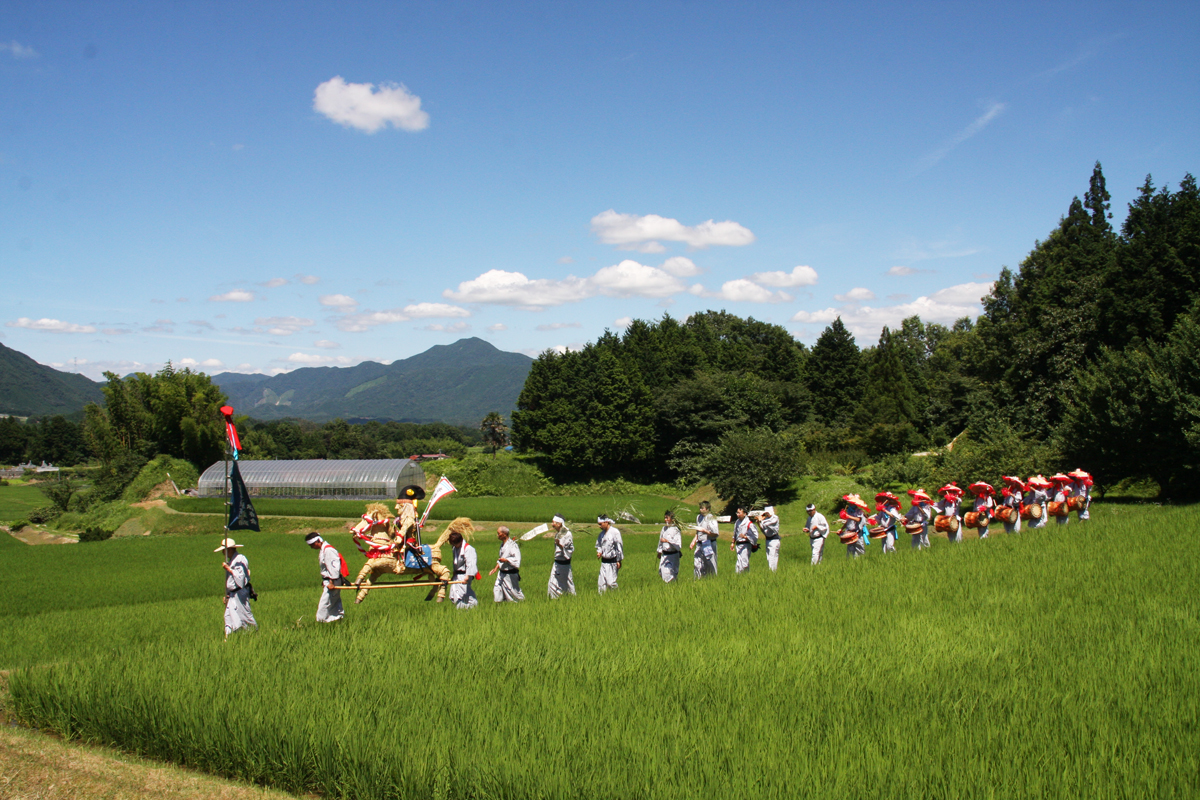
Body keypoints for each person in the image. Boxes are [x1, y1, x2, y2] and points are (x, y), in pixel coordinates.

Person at [351, 503, 403, 604]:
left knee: (373, 563)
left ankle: (362, 575)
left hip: (398, 544)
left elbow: (393, 533)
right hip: (382, 543)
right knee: (374, 575)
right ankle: (361, 595)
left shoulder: (401, 519)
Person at [217, 537, 256, 640]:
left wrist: (229, 569)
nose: (222, 553)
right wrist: (228, 595)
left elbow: (240, 579)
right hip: (233, 595)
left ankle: (252, 635)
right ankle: (228, 638)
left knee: (244, 616)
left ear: (228, 550)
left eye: (223, 551)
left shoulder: (240, 559)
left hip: (240, 593)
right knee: (228, 616)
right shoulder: (232, 560)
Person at [305, 532, 345, 623]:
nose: (312, 547)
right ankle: (337, 620)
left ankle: (322, 622)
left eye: (312, 545)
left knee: (324, 605)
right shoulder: (324, 550)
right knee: (333, 603)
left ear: (317, 541)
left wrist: (331, 582)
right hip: (329, 580)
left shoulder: (328, 550)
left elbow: (333, 568)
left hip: (333, 581)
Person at [490, 526, 524, 602]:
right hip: (501, 574)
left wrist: (507, 560)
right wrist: (495, 568)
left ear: (504, 534)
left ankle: (523, 605)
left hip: (510, 574)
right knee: (497, 590)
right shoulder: (502, 545)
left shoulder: (513, 545)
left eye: (498, 533)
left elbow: (517, 559)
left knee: (514, 593)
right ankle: (498, 606)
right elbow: (501, 558)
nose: (497, 535)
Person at [448, 530, 478, 610]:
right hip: (457, 575)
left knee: (463, 594)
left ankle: (471, 608)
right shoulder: (455, 548)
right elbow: (456, 563)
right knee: (454, 593)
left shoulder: (468, 549)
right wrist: (454, 574)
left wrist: (467, 577)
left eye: (455, 543)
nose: (454, 545)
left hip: (465, 575)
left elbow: (470, 563)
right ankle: (462, 610)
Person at [548, 514, 576, 598]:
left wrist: (560, 545)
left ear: (559, 523)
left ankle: (572, 599)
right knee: (552, 584)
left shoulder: (567, 534)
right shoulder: (558, 534)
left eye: (553, 523)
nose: (552, 524)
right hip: (557, 564)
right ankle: (554, 600)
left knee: (568, 583)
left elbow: (569, 549)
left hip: (564, 564)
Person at [595, 515, 624, 593]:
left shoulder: (615, 532)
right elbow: (599, 545)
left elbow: (619, 546)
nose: (600, 526)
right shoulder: (601, 534)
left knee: (611, 583)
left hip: (613, 562)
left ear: (606, 522)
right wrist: (599, 552)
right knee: (601, 583)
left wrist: (619, 560)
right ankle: (601, 598)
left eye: (601, 524)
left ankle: (616, 595)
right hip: (604, 562)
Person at [691, 501, 719, 578]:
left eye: (702, 508)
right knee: (697, 563)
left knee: (710, 563)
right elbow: (697, 532)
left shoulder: (711, 518)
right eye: (700, 508)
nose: (701, 510)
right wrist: (693, 541)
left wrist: (705, 531)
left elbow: (715, 533)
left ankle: (712, 579)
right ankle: (698, 579)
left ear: (707, 509)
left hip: (709, 543)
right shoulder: (698, 517)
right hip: (700, 543)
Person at [657, 510, 683, 582]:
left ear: (672, 519)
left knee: (670, 573)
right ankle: (671, 586)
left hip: (673, 555)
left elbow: (678, 544)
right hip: (664, 554)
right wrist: (659, 552)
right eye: (665, 518)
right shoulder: (664, 529)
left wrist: (667, 541)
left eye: (667, 518)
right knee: (661, 572)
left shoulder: (676, 530)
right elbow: (660, 541)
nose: (665, 520)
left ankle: (672, 587)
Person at [730, 507, 758, 573]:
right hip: (738, 544)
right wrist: (732, 542)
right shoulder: (737, 522)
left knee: (744, 562)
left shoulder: (749, 524)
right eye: (737, 513)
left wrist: (746, 537)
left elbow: (755, 535)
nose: (737, 514)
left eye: (739, 513)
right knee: (739, 562)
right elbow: (735, 533)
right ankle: (739, 577)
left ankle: (745, 576)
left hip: (746, 545)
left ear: (745, 514)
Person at [757, 506, 782, 571]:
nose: (767, 514)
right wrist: (758, 522)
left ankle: (772, 571)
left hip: (774, 540)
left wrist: (761, 520)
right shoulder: (765, 519)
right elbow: (762, 528)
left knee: (773, 557)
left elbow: (768, 524)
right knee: (769, 557)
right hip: (768, 540)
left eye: (768, 512)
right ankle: (773, 571)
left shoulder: (775, 518)